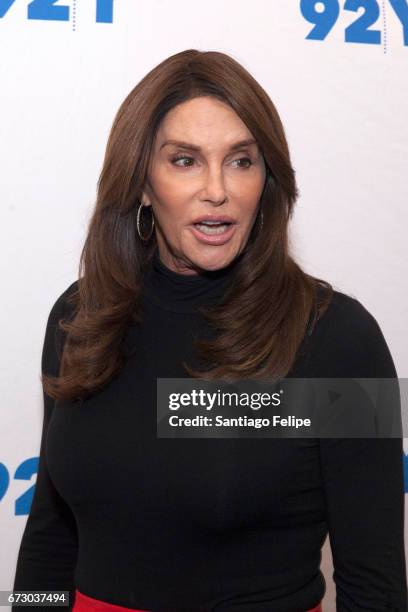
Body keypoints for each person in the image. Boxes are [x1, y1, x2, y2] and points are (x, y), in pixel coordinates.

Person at [12, 49, 407, 612]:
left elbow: (376, 587)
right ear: (142, 182)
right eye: (185, 160)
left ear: (267, 180)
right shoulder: (80, 318)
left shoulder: (338, 339)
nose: (217, 189)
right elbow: (50, 537)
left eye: (241, 161)